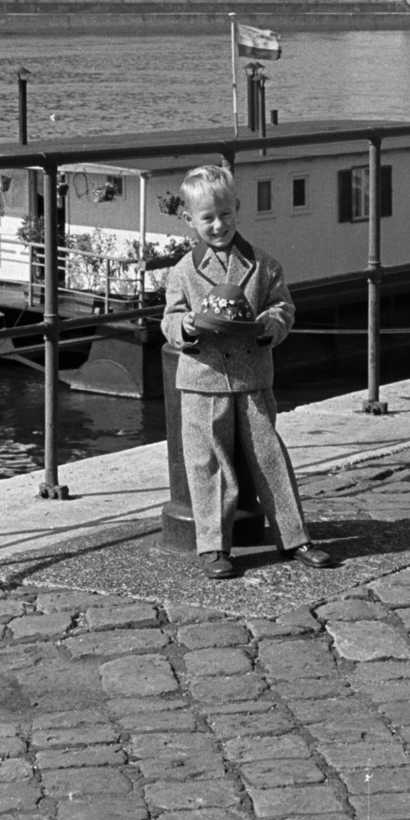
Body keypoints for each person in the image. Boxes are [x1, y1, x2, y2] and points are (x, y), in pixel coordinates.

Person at [162, 164, 332, 580]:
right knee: (208, 463)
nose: (218, 225)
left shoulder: (265, 266)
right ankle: (215, 547)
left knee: (269, 455)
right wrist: (183, 327)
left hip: (252, 375)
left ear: (238, 209)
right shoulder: (182, 271)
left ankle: (295, 537)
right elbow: (169, 319)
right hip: (201, 380)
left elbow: (282, 307)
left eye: (226, 215)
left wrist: (274, 324)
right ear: (189, 220)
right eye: (207, 218)